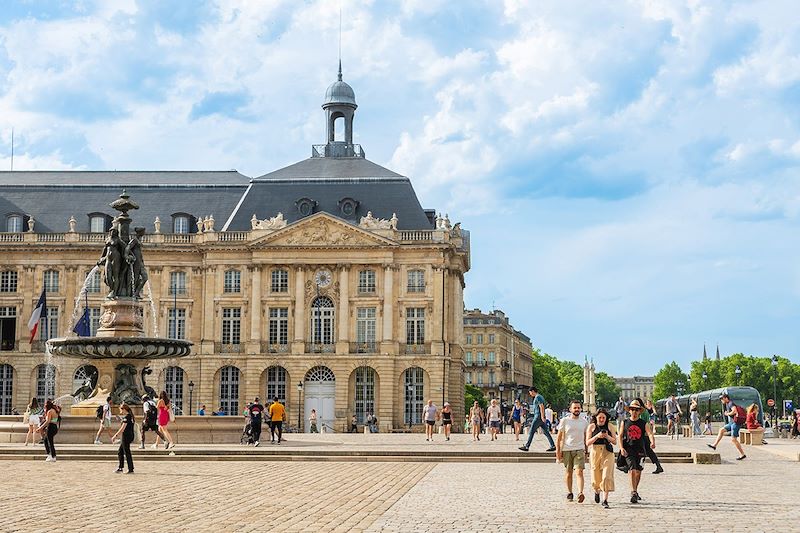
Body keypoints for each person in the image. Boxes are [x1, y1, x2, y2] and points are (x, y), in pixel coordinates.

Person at [618, 399, 655, 503]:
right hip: (628, 449)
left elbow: (650, 433)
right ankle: (633, 492)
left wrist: (652, 442)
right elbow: (620, 436)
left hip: (640, 449)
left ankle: (635, 490)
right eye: (632, 409)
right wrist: (621, 448)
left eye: (636, 410)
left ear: (639, 411)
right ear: (629, 410)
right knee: (632, 470)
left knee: (638, 472)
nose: (634, 412)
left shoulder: (643, 423)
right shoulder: (624, 422)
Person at [555, 400, 589, 503]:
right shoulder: (565, 421)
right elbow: (559, 438)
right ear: (570, 409)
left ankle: (580, 492)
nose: (577, 409)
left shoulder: (584, 422)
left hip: (579, 449)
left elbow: (585, 438)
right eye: (575, 408)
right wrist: (558, 454)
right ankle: (570, 492)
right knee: (569, 472)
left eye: (578, 408)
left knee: (579, 471)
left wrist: (587, 451)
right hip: (567, 449)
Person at [586, 408, 616, 508]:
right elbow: (587, 442)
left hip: (607, 452)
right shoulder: (591, 427)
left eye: (604, 417)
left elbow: (615, 441)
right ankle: (597, 491)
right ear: (596, 417)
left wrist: (607, 436)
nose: (602, 419)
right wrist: (597, 436)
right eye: (600, 417)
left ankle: (605, 499)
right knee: (595, 475)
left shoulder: (610, 426)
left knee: (606, 476)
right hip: (595, 451)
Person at [707, 393, 747, 460]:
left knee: (734, 439)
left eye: (722, 399)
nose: (721, 400)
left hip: (736, 423)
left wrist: (727, 414)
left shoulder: (730, 403)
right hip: (732, 422)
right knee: (722, 430)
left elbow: (734, 411)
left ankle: (742, 454)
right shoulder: (728, 404)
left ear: (726, 398)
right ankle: (714, 445)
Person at [519, 387, 556, 452]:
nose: (530, 394)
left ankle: (527, 446)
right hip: (539, 416)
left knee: (532, 431)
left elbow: (541, 406)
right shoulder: (540, 396)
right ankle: (553, 445)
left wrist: (542, 416)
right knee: (546, 432)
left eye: (530, 392)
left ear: (532, 391)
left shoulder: (538, 397)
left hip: (538, 416)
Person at [635, 397, 663, 474]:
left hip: (642, 434)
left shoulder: (642, 412)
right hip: (643, 433)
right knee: (647, 451)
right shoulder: (643, 411)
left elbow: (641, 423)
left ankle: (658, 466)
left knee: (647, 451)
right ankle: (658, 466)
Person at [112, 403, 135, 474]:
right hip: (130, 435)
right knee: (120, 452)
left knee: (126, 452)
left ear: (124, 409)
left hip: (126, 436)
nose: (120, 411)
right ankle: (121, 468)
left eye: (120, 409)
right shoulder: (130, 416)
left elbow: (122, 428)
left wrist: (115, 436)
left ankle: (130, 469)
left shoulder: (127, 417)